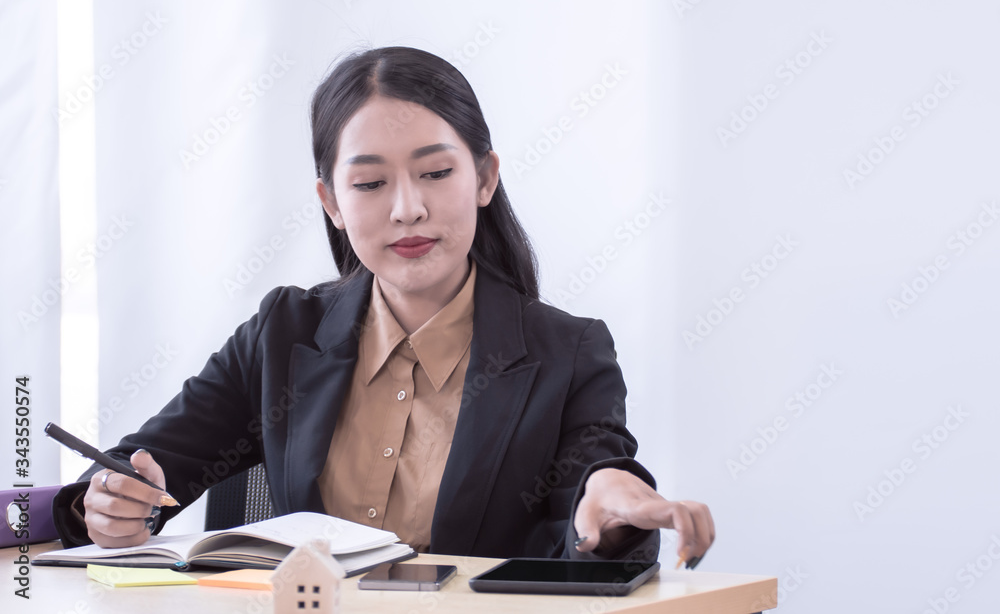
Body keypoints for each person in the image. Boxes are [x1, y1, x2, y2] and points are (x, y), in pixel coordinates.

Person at [52, 46, 714, 566]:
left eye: (436, 172)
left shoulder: (568, 353)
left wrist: (607, 500)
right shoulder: (282, 334)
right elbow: (145, 467)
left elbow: (594, 482)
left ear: (484, 178)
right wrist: (110, 503)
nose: (408, 209)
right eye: (370, 182)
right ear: (332, 203)